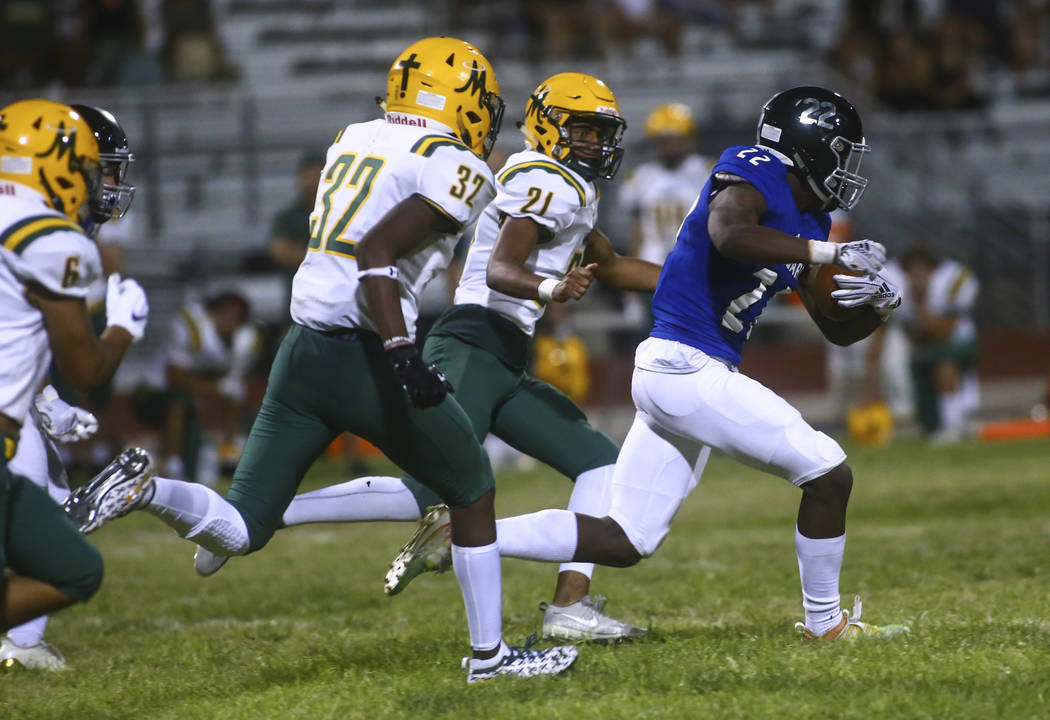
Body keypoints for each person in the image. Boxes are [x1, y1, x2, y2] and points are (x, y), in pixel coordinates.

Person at [64, 37, 578, 683]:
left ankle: (147, 489)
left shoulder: (355, 135)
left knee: (243, 527)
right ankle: (490, 659)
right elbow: (375, 252)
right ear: (460, 100)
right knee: (471, 490)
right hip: (366, 351)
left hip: (302, 346)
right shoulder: (454, 164)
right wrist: (400, 349)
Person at [404, 86, 912, 641]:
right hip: (686, 366)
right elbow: (730, 233)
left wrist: (877, 307)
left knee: (626, 538)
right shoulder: (753, 167)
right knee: (828, 473)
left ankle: (463, 536)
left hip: (682, 372)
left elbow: (833, 328)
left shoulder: (811, 219)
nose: (844, 165)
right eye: (840, 149)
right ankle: (826, 625)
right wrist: (828, 253)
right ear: (809, 144)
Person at [200, 72, 662, 642]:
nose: (596, 144)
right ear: (549, 128)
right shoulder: (544, 178)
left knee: (601, 466)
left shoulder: (570, 186)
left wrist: (696, 289)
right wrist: (547, 290)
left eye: (601, 133)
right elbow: (501, 269)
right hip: (472, 343)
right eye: (584, 131)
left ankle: (569, 608)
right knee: (427, 490)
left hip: (505, 356)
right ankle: (264, 514)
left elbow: (610, 265)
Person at [0, 99, 148, 653]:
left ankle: (23, 643)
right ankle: (20, 643)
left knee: (69, 556)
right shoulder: (50, 239)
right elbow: (87, 368)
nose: (101, 183)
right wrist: (125, 327)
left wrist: (39, 397)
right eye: (95, 168)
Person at [130, 290, 259, 486]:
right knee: (180, 399)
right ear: (212, 312)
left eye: (236, 317)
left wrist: (228, 431)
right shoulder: (191, 326)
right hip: (152, 392)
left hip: (192, 400)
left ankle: (228, 445)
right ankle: (172, 462)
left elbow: (233, 389)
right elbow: (177, 380)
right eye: (225, 313)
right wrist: (217, 388)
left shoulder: (245, 339)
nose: (229, 321)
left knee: (235, 390)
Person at [897, 246, 979, 442]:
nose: (917, 277)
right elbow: (912, 336)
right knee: (929, 426)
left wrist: (921, 302)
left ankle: (954, 423)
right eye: (911, 272)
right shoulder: (898, 288)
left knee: (943, 358)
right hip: (925, 347)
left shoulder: (952, 282)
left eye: (923, 270)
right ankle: (935, 422)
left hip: (959, 342)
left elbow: (943, 332)